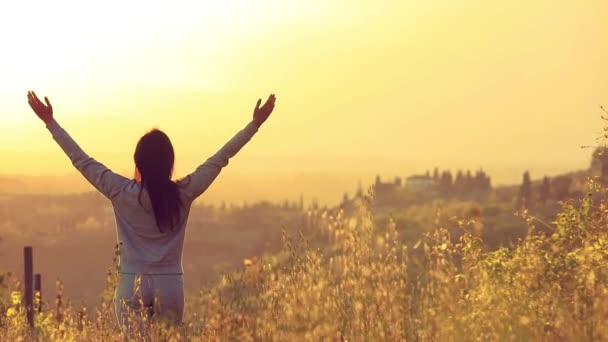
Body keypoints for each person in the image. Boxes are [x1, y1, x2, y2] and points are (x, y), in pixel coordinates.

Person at [26, 90, 276, 328]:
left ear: (138, 162)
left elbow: (81, 160)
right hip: (169, 287)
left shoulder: (121, 191)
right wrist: (254, 125)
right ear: (169, 162)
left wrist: (51, 123)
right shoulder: (183, 193)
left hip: (131, 283)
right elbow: (220, 158)